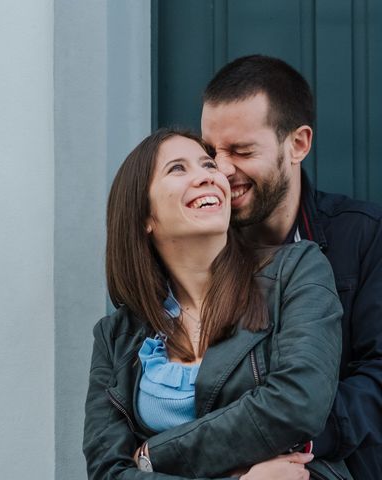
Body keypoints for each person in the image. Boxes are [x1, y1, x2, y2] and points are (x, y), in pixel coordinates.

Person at [83, 128, 348, 479]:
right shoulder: (116, 336)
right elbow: (108, 472)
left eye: (207, 165)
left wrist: (153, 455)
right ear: (144, 216)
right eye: (178, 169)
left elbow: (298, 402)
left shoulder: (296, 270)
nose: (209, 176)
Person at [199, 55, 382, 480]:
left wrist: (288, 438)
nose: (222, 170)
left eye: (241, 151)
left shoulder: (365, 237)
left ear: (298, 143)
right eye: (211, 152)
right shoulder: (194, 247)